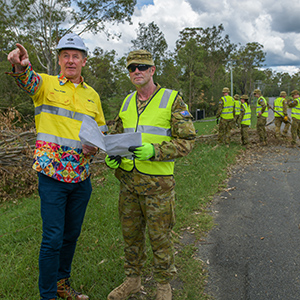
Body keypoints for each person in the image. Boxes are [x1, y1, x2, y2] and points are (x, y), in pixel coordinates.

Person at [7, 33, 107, 300]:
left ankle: (62, 285)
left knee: (71, 236)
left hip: (81, 178)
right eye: (65, 55)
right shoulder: (46, 84)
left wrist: (94, 146)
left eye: (76, 56)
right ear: (59, 59)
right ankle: (48, 295)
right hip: (52, 176)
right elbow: (27, 80)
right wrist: (21, 66)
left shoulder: (92, 96)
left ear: (84, 61)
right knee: (52, 238)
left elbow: (101, 131)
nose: (70, 60)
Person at [105, 49, 196, 300]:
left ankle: (164, 286)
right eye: (131, 68)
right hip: (128, 184)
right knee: (131, 236)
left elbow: (187, 141)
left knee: (160, 237)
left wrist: (154, 150)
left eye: (142, 67)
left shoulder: (172, 99)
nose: (136, 71)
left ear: (152, 70)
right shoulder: (126, 102)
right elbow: (118, 138)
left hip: (158, 187)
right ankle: (132, 281)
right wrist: (113, 156)